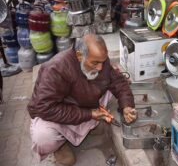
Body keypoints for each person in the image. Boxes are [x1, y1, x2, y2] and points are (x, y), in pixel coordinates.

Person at [27, 33, 137, 165]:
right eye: (95, 63)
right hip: (60, 111)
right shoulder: (55, 69)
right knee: (43, 138)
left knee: (120, 81)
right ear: (79, 56)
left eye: (102, 62)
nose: (100, 68)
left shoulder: (101, 61)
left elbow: (118, 82)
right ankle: (60, 146)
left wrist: (127, 106)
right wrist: (89, 114)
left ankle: (87, 125)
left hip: (86, 101)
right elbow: (44, 107)